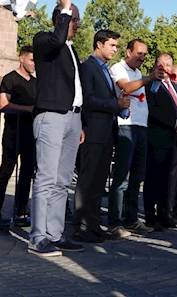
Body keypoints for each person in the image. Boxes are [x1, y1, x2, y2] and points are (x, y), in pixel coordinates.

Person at [29, 0, 86, 257]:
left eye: (76, 20)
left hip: (73, 118)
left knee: (62, 180)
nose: (77, 25)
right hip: (51, 115)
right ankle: (37, 237)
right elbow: (55, 41)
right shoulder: (44, 41)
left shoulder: (72, 50)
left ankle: (55, 233)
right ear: (59, 19)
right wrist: (65, 8)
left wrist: (80, 122)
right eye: (73, 19)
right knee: (46, 178)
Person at [73, 30, 131, 243]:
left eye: (116, 46)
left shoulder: (104, 70)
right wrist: (114, 104)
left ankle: (94, 224)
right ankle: (80, 227)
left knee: (99, 182)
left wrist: (120, 107)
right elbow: (87, 99)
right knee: (87, 180)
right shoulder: (88, 67)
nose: (115, 49)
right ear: (99, 44)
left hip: (106, 132)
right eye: (112, 45)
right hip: (92, 132)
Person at [107, 39, 161, 236]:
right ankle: (114, 221)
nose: (143, 58)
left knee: (137, 177)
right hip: (125, 127)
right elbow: (126, 88)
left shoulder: (138, 72)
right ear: (128, 52)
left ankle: (131, 219)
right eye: (139, 53)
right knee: (121, 176)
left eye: (145, 54)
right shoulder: (118, 68)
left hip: (141, 127)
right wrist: (149, 78)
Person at [144, 53, 177, 231]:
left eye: (168, 64)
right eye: (161, 64)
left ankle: (165, 213)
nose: (164, 67)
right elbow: (153, 111)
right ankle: (150, 214)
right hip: (158, 138)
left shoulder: (176, 87)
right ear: (156, 66)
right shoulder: (151, 86)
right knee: (153, 178)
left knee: (170, 180)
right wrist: (174, 123)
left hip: (175, 141)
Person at [0, 45, 37, 223]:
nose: (35, 64)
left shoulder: (36, 83)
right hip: (13, 133)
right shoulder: (9, 79)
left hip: (31, 134)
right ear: (22, 58)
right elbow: (4, 104)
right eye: (32, 60)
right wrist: (28, 109)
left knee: (27, 173)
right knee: (6, 171)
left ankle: (21, 211)